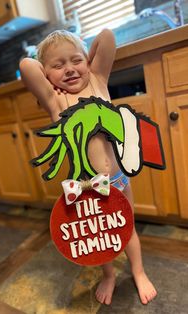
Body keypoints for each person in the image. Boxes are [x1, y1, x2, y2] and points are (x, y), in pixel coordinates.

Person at [19, 29, 157, 305]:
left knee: (126, 228)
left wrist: (85, 61)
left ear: (87, 62)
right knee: (98, 234)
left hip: (118, 178)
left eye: (75, 61)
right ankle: (108, 275)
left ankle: (139, 272)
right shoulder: (54, 100)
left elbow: (106, 37)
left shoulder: (97, 79)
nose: (69, 70)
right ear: (47, 74)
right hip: (87, 185)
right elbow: (26, 65)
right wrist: (48, 72)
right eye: (58, 66)